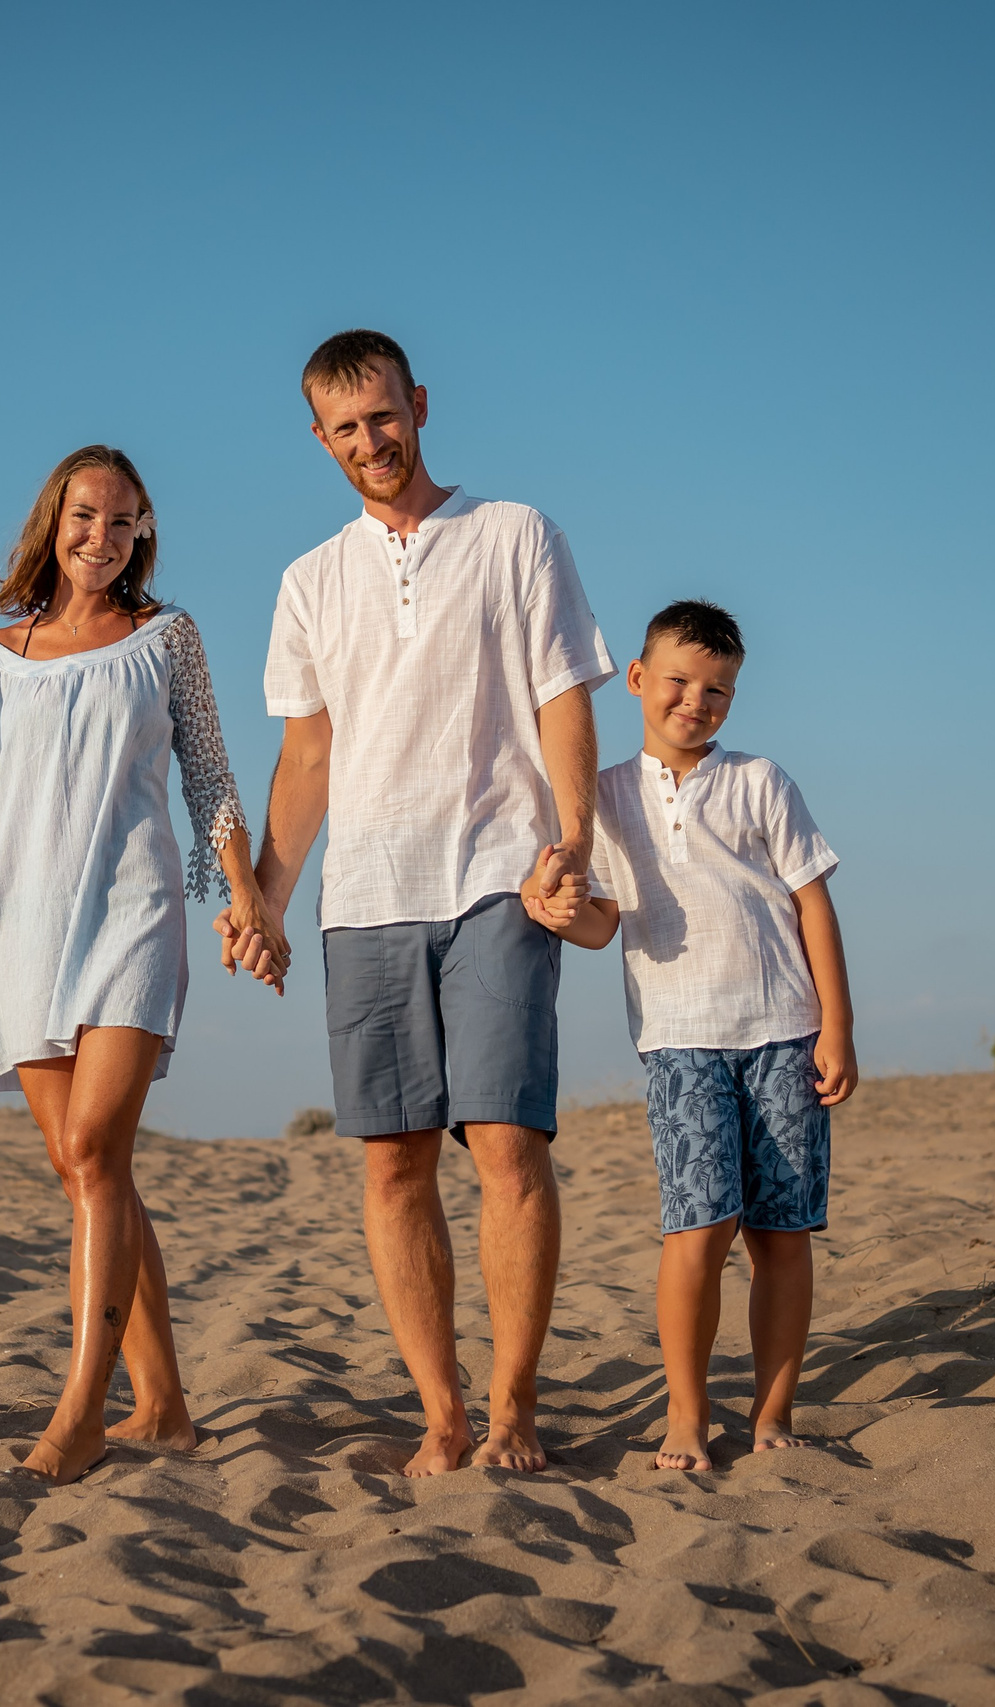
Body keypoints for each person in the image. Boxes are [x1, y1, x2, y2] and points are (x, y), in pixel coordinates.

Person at [0, 446, 279, 1484]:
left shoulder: (168, 639)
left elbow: (210, 777)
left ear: (143, 534)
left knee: (91, 1146)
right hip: (20, 928)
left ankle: (81, 1409)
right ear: (52, 522)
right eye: (85, 517)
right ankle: (162, 1406)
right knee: (88, 1173)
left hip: (132, 914)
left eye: (124, 523)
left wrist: (246, 896)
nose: (102, 539)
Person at [221, 330, 615, 1476]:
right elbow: (308, 758)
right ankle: (442, 1414)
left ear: (419, 405)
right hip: (367, 897)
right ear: (318, 438)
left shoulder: (514, 534)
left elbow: (562, 699)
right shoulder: (309, 581)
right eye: (344, 429)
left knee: (504, 1144)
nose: (369, 442)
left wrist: (574, 838)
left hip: (499, 872)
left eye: (383, 417)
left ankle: (513, 1409)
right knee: (393, 1165)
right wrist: (272, 897)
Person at [522, 599, 857, 1471]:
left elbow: (812, 903)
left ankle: (774, 1411)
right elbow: (601, 925)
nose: (695, 701)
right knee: (697, 1230)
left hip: (784, 1031)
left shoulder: (760, 781)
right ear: (637, 680)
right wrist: (552, 907)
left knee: (781, 1236)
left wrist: (838, 1025)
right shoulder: (602, 797)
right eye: (678, 680)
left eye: (717, 690)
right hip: (677, 1039)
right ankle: (685, 1414)